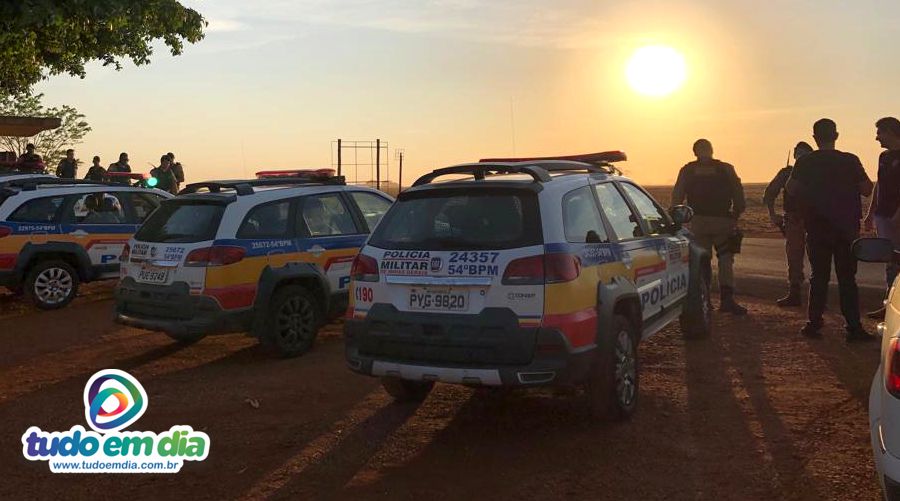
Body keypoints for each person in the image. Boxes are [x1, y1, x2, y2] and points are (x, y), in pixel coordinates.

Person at [787, 118, 874, 342]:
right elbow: (866, 189)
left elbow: (792, 189)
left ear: (815, 138)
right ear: (836, 136)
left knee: (819, 277)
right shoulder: (850, 160)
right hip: (846, 229)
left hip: (817, 227)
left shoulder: (805, 163)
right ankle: (853, 327)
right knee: (847, 279)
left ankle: (814, 323)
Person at [672, 139, 748, 315]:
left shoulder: (688, 170)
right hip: (722, 221)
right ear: (711, 150)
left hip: (698, 222)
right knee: (726, 260)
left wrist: (677, 218)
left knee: (701, 263)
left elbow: (677, 197)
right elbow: (738, 193)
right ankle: (726, 300)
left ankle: (703, 299)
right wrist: (736, 213)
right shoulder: (725, 169)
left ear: (695, 152)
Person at [763, 141, 814, 306]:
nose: (800, 155)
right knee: (794, 256)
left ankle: (817, 295)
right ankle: (795, 292)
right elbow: (770, 192)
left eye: (803, 153)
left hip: (815, 219)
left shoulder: (817, 171)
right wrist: (772, 214)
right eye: (798, 153)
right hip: (794, 219)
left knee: (817, 257)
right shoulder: (787, 173)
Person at [863, 117, 900, 319]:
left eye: (880, 133)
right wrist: (871, 213)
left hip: (896, 218)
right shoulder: (884, 157)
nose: (877, 138)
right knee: (891, 263)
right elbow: (879, 184)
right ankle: (889, 306)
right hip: (884, 218)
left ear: (891, 132)